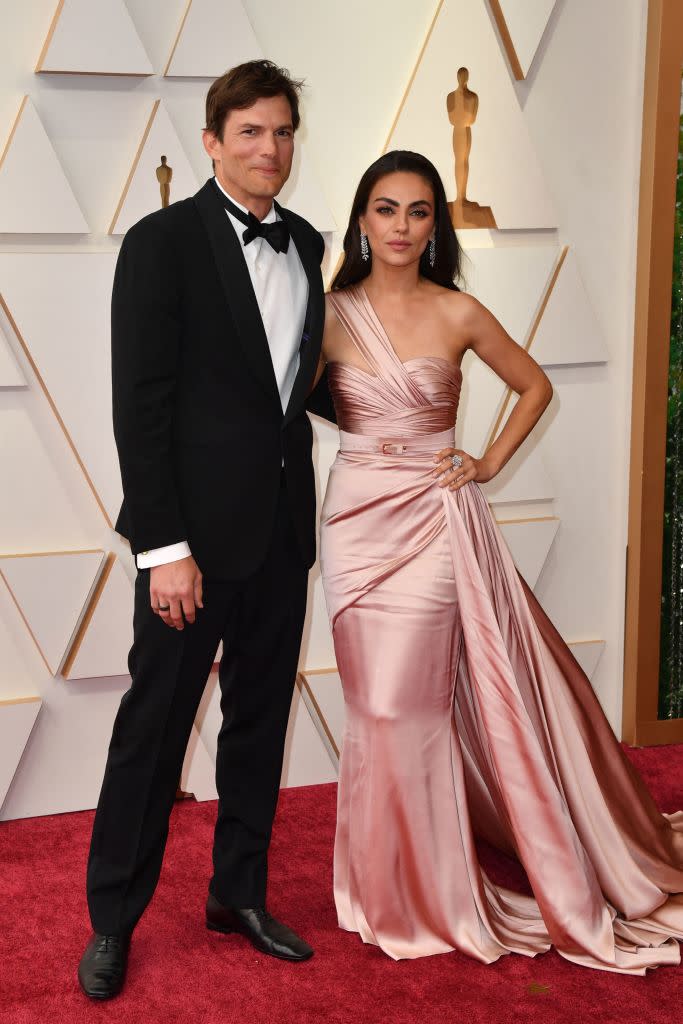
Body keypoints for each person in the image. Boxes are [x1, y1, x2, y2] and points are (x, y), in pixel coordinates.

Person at [316, 149, 683, 973]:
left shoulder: (458, 311)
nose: (402, 226)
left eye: (417, 211)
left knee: (412, 711)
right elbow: (271, 401)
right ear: (362, 220)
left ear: (434, 223)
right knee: (372, 711)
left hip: (433, 521)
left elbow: (534, 385)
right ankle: (378, 883)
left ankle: (432, 893)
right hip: (352, 522)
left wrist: (483, 461)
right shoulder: (328, 313)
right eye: (385, 208)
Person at [78, 60, 335, 1000]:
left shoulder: (307, 244)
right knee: (152, 732)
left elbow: (297, 391)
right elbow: (138, 407)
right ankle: (113, 919)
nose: (270, 148)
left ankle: (238, 895)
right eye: (251, 132)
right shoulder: (161, 243)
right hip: (186, 547)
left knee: (258, 726)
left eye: (282, 132)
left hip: (277, 537)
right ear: (213, 140)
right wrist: (163, 549)